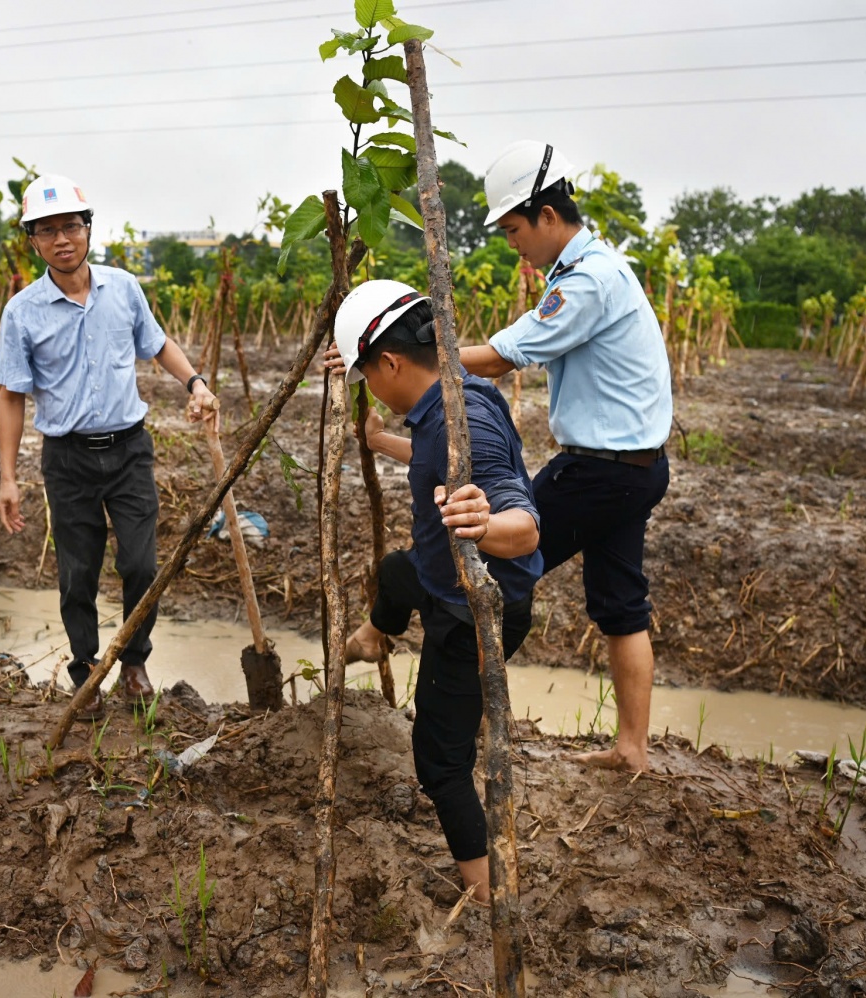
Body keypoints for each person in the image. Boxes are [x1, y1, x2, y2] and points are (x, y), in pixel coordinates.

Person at [326, 280, 542, 903]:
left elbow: (524, 528)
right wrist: (377, 441)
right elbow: (430, 453)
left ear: (391, 363)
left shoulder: (464, 419)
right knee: (397, 572)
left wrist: (484, 523)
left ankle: (489, 892)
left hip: (474, 614)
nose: (369, 387)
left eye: (368, 374)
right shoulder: (448, 398)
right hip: (435, 578)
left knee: (440, 763)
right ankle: (373, 635)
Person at [461, 140, 673, 773]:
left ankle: (467, 724)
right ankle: (631, 750)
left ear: (547, 216)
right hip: (634, 469)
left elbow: (500, 358)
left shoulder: (587, 282)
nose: (511, 243)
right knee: (621, 605)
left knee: (497, 566)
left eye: (514, 228)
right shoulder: (595, 269)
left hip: (600, 471)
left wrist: (408, 355)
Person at [0, 174, 216, 717]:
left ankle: (135, 663)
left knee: (141, 564)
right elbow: (9, 396)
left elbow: (158, 343)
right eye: (47, 231)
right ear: (34, 242)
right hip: (67, 459)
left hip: (129, 450)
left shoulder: (123, 288)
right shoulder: (21, 312)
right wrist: (7, 477)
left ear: (88, 229)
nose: (62, 239)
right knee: (78, 573)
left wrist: (196, 383)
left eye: (71, 225)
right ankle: (86, 671)